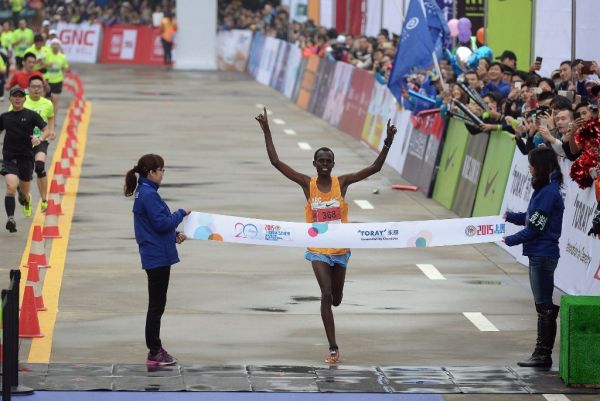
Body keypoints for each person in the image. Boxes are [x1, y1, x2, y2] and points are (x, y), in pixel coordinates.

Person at [255, 107, 397, 364]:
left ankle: (333, 314)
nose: (323, 165)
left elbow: (374, 168)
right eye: (319, 161)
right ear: (314, 164)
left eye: (327, 161)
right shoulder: (306, 184)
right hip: (318, 250)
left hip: (340, 250)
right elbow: (276, 163)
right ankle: (333, 348)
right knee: (326, 295)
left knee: (338, 300)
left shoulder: (341, 183)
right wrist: (267, 130)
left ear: (333, 165)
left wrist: (387, 142)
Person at [123, 154, 190, 366]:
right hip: (157, 257)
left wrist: (173, 235)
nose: (163, 174)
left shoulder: (146, 192)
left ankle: (155, 349)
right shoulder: (149, 195)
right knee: (156, 306)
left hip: (157, 253)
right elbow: (161, 223)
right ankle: (154, 351)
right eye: (161, 170)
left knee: (157, 305)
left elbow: (156, 225)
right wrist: (181, 213)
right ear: (151, 172)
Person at [503, 147, 564, 368]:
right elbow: (531, 219)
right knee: (542, 305)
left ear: (541, 167)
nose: (529, 167)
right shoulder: (546, 188)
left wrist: (510, 240)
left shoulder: (548, 192)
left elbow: (536, 228)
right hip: (539, 253)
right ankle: (541, 352)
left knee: (544, 306)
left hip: (542, 254)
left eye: (532, 164)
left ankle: (543, 354)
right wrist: (510, 217)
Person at [0, 86, 48, 232]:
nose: (17, 98)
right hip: (9, 157)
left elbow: (46, 130)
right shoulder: (4, 117)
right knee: (10, 187)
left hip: (26, 158)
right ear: (10, 99)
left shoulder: (31, 115)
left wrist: (39, 138)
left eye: (20, 96)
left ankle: (26, 199)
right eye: (15, 96)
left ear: (24, 99)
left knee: (24, 194)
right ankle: (11, 218)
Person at [9, 76, 55, 212]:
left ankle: (44, 200)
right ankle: (26, 199)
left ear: (43, 89)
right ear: (28, 88)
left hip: (40, 140)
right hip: (23, 143)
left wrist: (51, 131)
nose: (36, 89)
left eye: (39, 87)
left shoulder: (47, 103)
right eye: (33, 87)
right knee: (26, 175)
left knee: (40, 167)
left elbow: (51, 117)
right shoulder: (20, 101)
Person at [44, 39, 69, 112]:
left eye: (57, 44)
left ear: (59, 46)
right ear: (51, 46)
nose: (55, 46)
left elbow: (66, 66)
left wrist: (66, 69)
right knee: (47, 101)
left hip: (58, 81)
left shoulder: (62, 56)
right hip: (47, 80)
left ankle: (54, 121)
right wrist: (48, 64)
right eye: (53, 44)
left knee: (55, 101)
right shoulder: (46, 55)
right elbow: (41, 63)